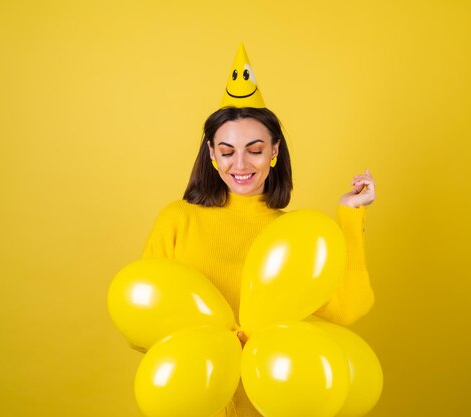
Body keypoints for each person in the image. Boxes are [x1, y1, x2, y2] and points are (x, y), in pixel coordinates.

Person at [140, 105, 376, 417]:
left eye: (255, 150)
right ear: (211, 154)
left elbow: (347, 308)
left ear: (274, 151)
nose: (240, 164)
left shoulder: (293, 235)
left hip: (272, 401)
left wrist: (350, 216)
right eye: (227, 152)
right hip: (193, 400)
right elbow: (145, 317)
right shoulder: (178, 219)